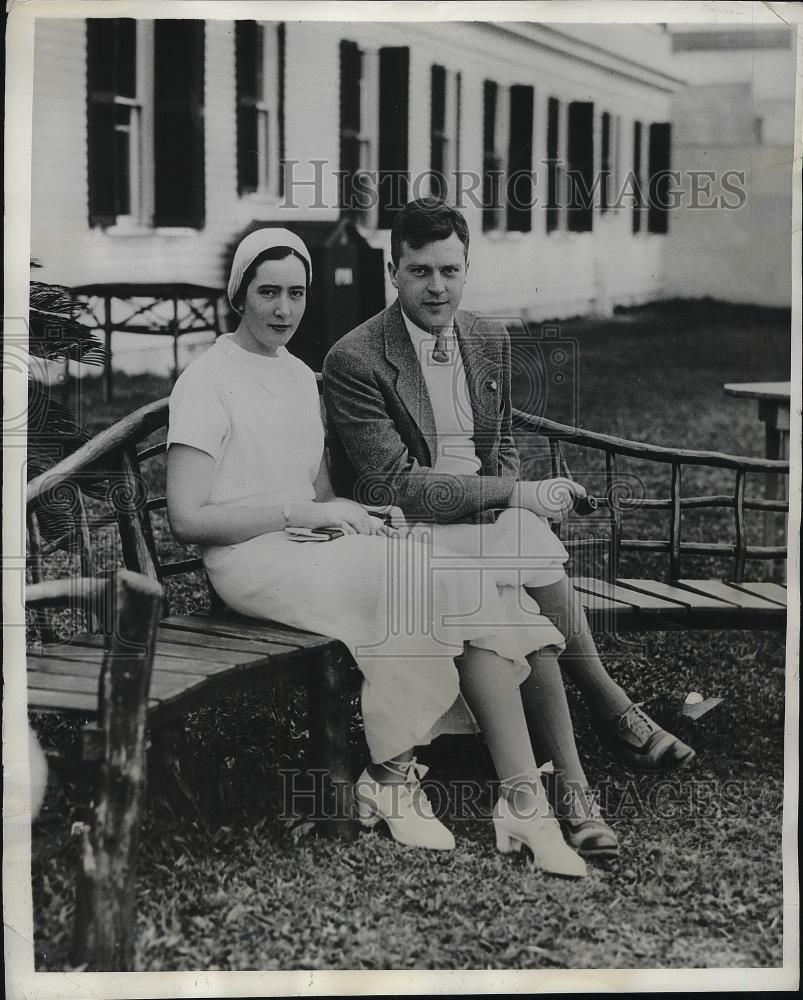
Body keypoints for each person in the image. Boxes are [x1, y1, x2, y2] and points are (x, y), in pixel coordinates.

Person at [166, 227, 590, 877]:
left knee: (453, 575)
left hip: (310, 546)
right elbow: (187, 518)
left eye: (296, 293)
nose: (283, 309)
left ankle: (521, 806)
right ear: (238, 295)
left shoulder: (294, 378)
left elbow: (316, 489)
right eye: (267, 292)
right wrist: (305, 514)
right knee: (424, 584)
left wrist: (363, 517)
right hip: (249, 562)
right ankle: (391, 775)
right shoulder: (206, 378)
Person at [322, 199, 695, 857]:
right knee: (523, 563)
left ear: (466, 267)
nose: (436, 288)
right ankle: (602, 741)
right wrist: (516, 496)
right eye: (418, 272)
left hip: (485, 525)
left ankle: (579, 782)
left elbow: (504, 446)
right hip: (408, 536)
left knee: (522, 559)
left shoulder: (486, 337)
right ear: (392, 271)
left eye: (449, 270)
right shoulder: (355, 359)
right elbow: (401, 486)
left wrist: (507, 498)